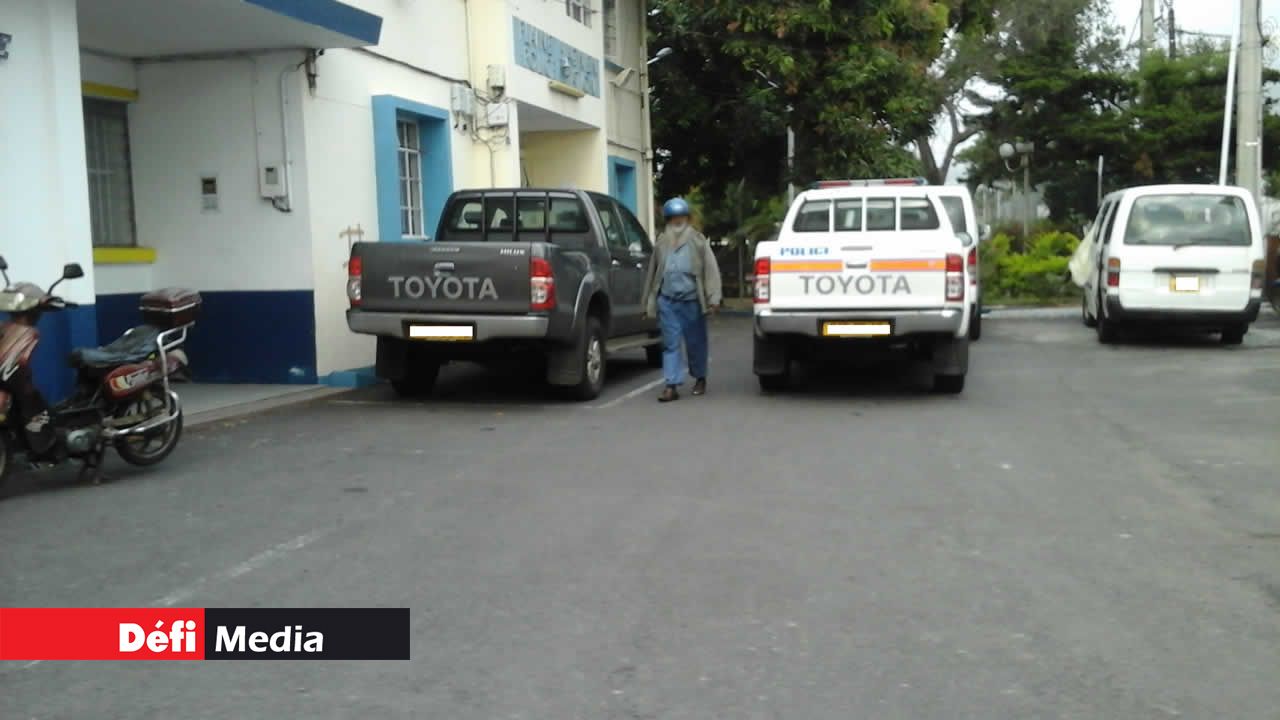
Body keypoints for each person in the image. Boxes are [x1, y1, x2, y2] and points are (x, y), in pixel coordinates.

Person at [641, 197, 722, 403]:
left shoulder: (698, 240)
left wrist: (714, 298)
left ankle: (700, 377)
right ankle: (671, 385)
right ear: (668, 220)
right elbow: (653, 273)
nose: (677, 221)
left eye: (681, 217)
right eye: (673, 218)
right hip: (667, 301)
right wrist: (648, 302)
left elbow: (711, 270)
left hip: (692, 301)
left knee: (696, 343)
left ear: (687, 218)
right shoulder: (661, 242)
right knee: (670, 344)